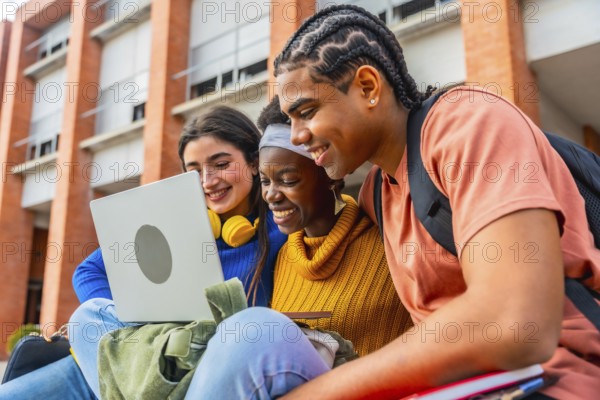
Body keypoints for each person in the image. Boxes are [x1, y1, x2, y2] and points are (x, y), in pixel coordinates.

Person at [268, 4, 600, 399]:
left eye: (306, 112)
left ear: (368, 87)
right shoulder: (377, 190)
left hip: (552, 381)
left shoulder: (468, 122)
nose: (296, 136)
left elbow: (512, 323)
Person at [0, 106, 287, 399]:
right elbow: (88, 271)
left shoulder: (280, 227)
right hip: (124, 361)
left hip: (192, 370)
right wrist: (136, 320)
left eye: (222, 164)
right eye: (195, 171)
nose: (208, 181)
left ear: (254, 163)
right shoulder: (174, 216)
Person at [180, 96, 412, 397]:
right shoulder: (281, 254)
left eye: (287, 180)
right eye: (265, 182)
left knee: (252, 327)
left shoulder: (388, 242)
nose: (271, 196)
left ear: (333, 176)